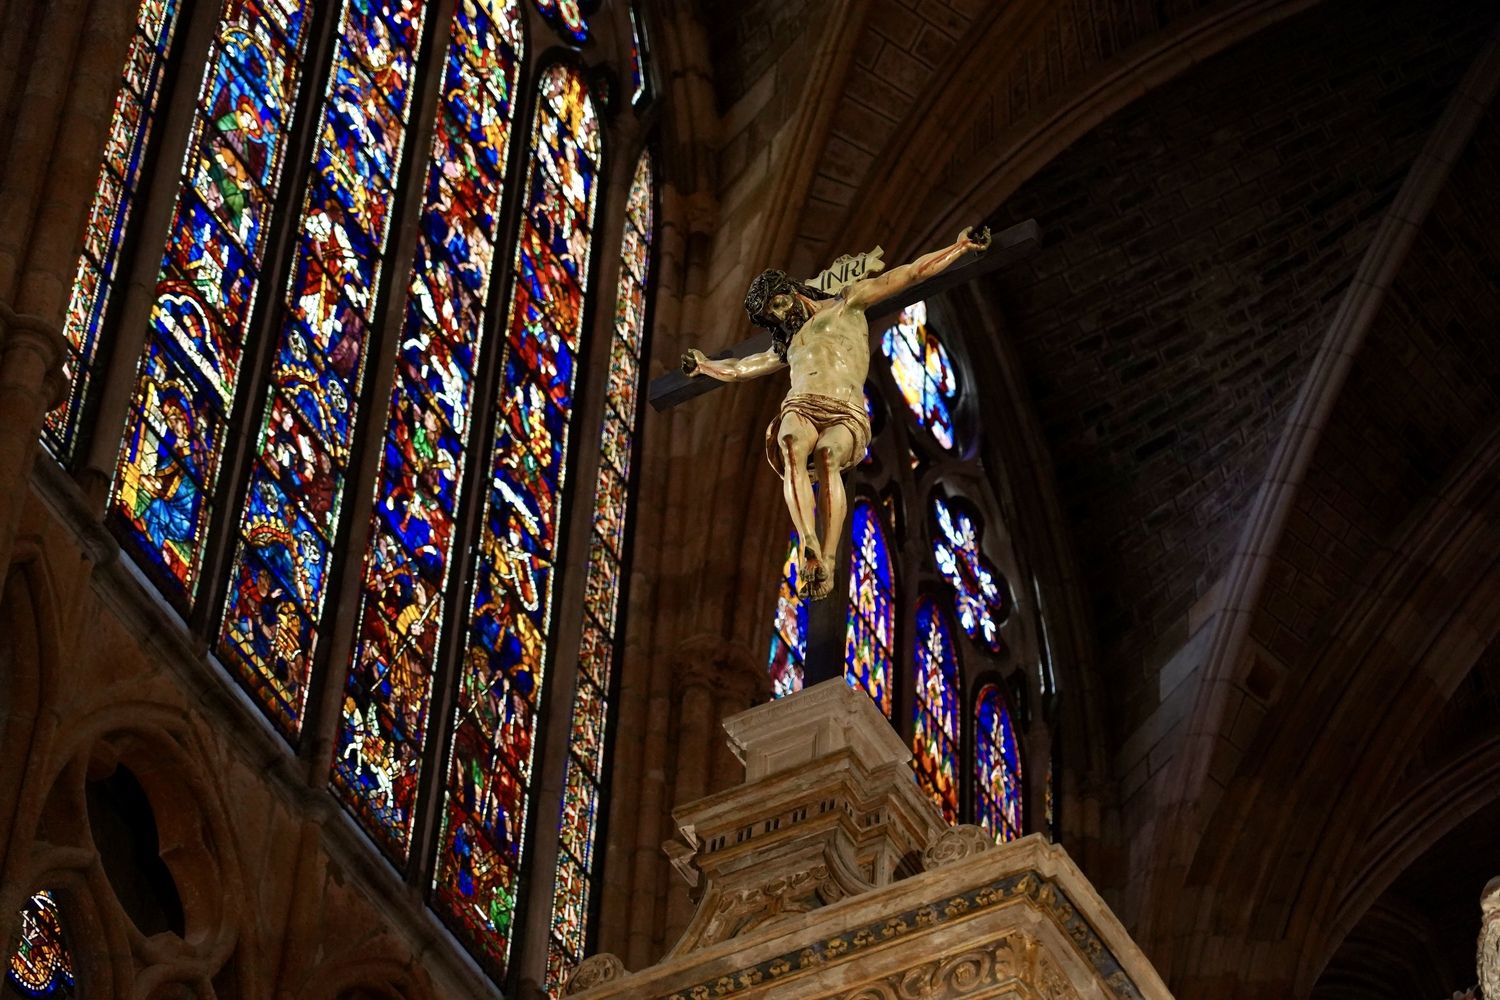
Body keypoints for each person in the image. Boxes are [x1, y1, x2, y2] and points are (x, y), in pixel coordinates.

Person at [682, 227, 991, 598]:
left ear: (790, 289)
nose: (781, 314)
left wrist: (959, 247)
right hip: (802, 401)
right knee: (790, 443)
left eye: (779, 303)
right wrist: (704, 366)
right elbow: (741, 368)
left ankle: (827, 559)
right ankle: (808, 542)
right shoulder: (788, 343)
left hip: (846, 409)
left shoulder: (849, 302)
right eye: (772, 315)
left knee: (828, 456)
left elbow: (910, 273)